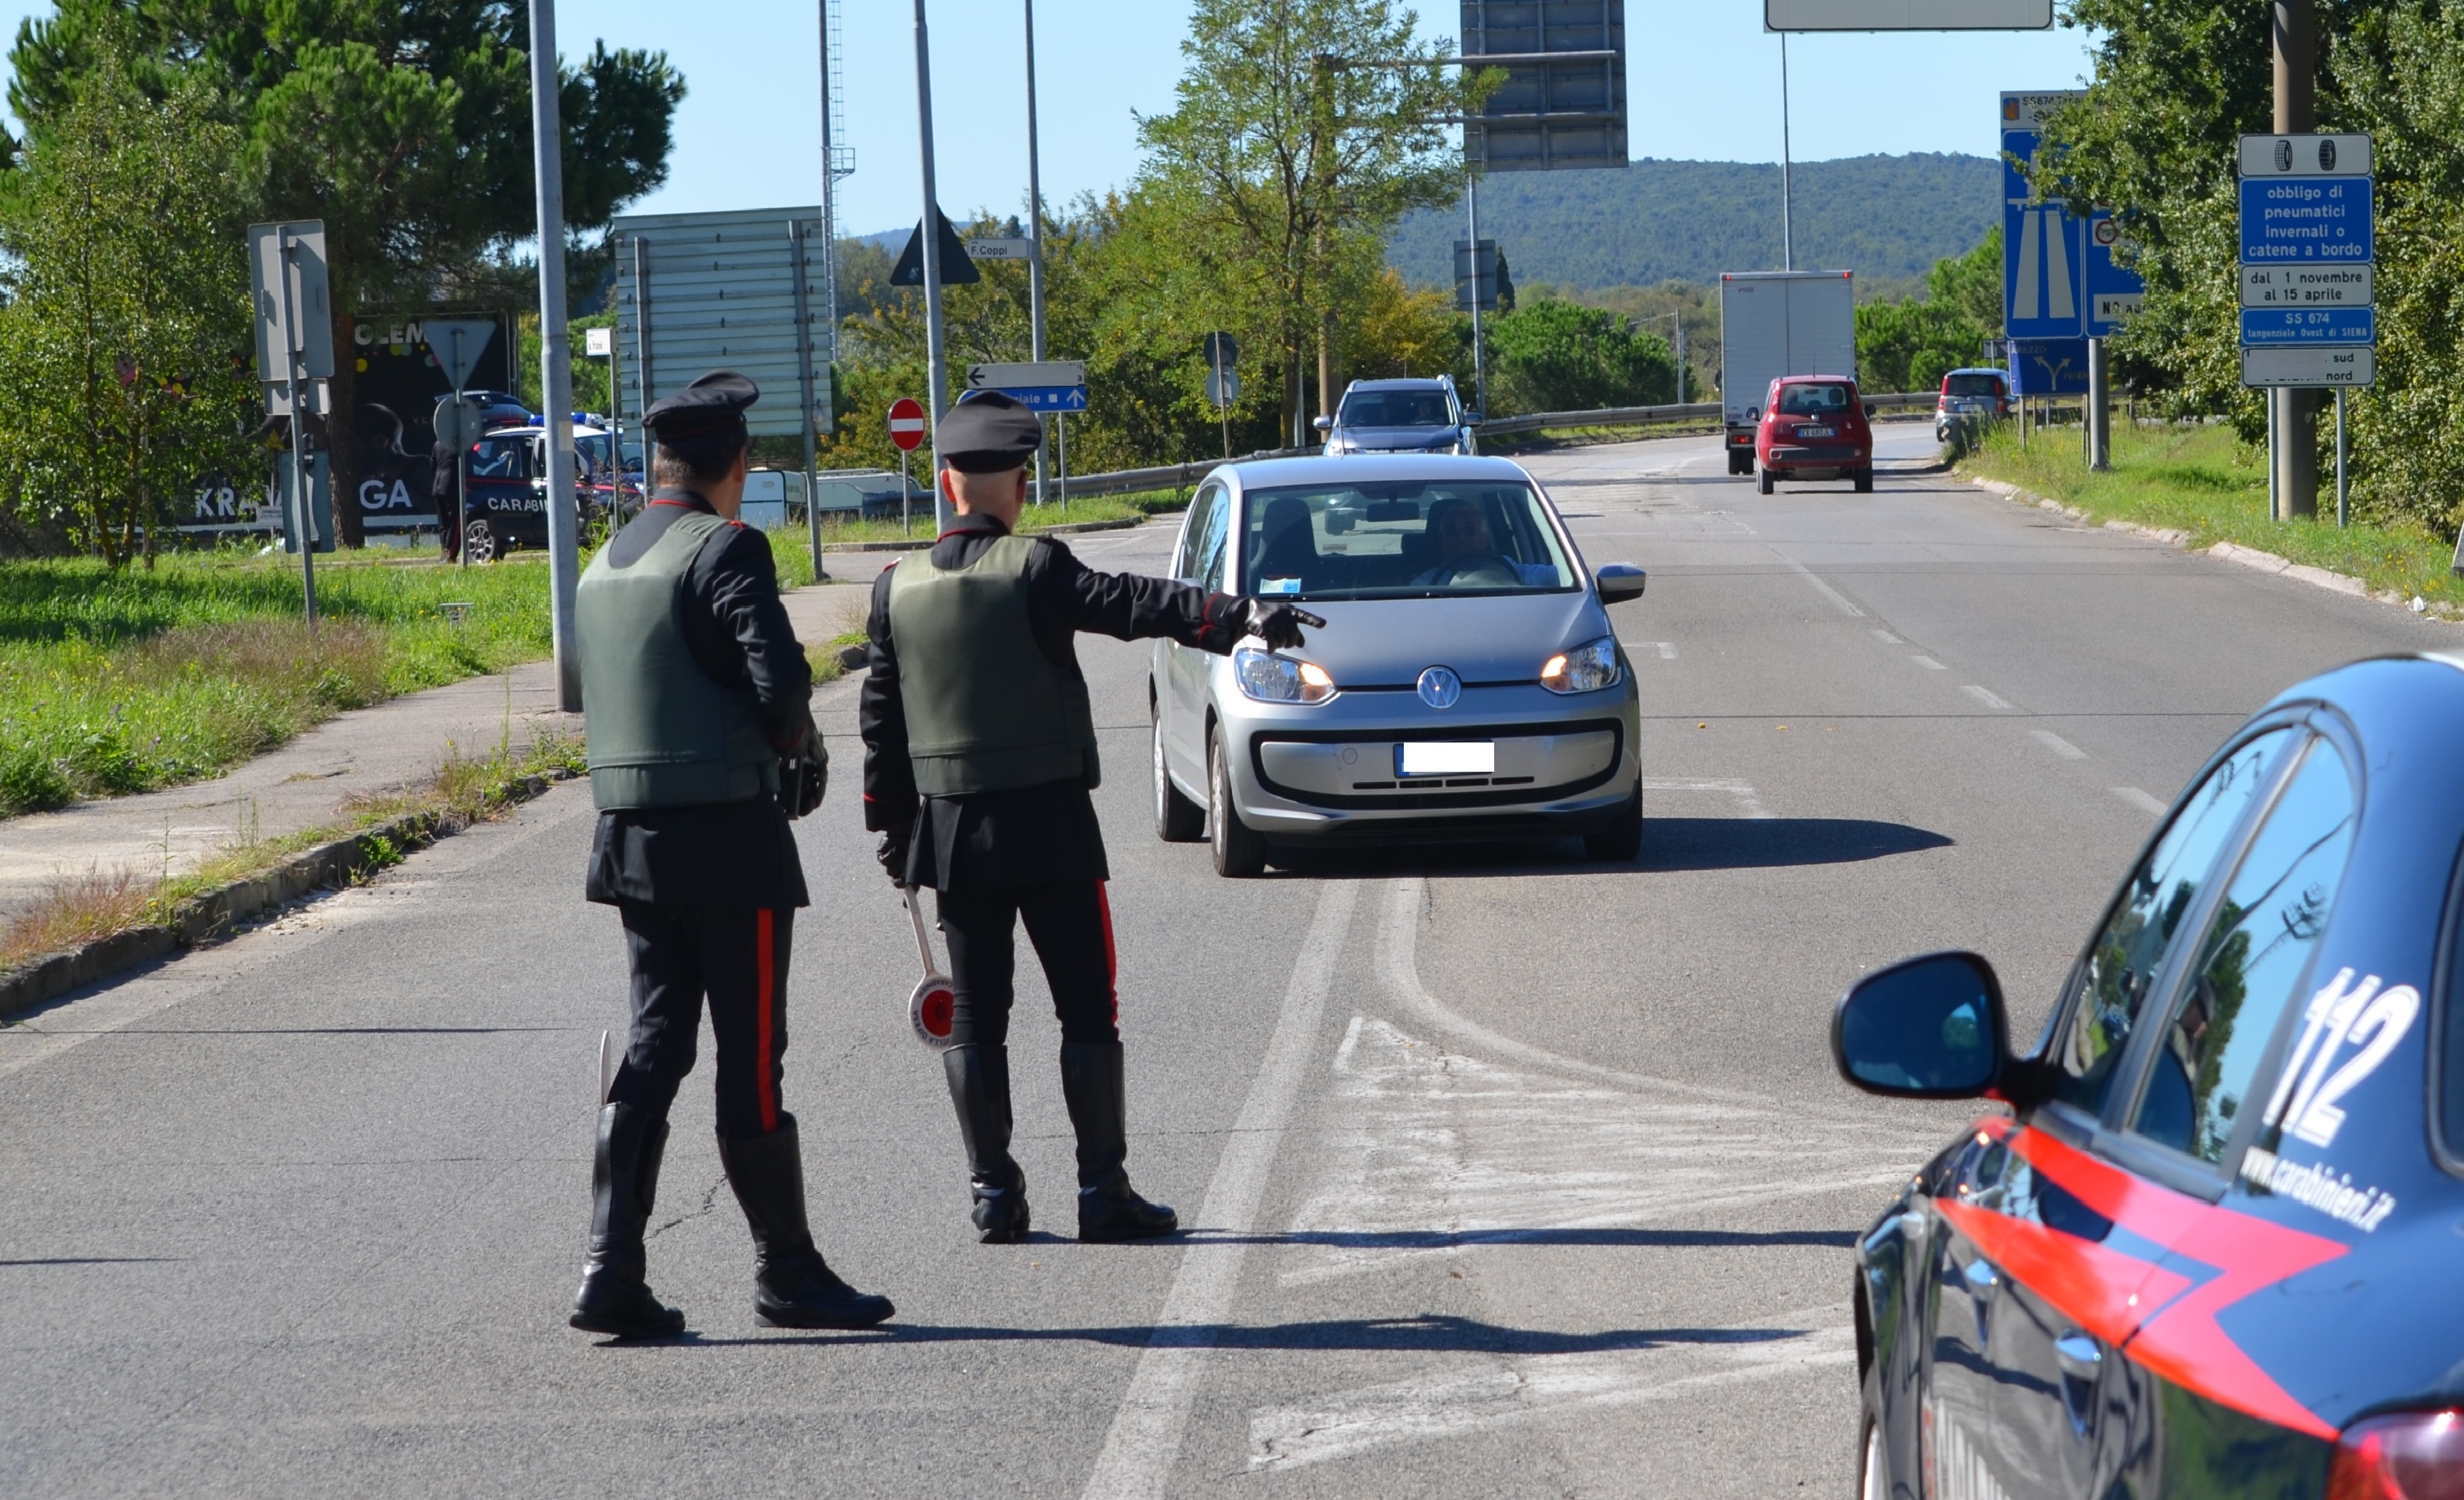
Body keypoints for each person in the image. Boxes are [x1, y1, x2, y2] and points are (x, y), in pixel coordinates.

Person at [860, 391, 1320, 1245]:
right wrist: (1242, 617)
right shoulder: (1037, 568)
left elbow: (880, 730)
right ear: (1020, 486)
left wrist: (894, 838)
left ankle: (992, 1194)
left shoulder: (894, 591)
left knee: (973, 1017)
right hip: (1052, 830)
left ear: (945, 481)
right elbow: (1133, 602)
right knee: (1086, 1010)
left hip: (957, 838)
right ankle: (1101, 1191)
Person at [568, 369, 893, 1338]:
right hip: (726, 844)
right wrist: (795, 748)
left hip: (630, 843)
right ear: (734, 465)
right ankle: (786, 1273)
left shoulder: (606, 563)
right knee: (751, 1062)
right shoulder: (728, 549)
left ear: (660, 461)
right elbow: (783, 683)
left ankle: (608, 1267)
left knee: (656, 1045)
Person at [1409, 495, 1555, 587]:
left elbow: (1559, 577)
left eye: (1469, 530)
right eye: (1451, 530)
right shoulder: (1425, 583)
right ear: (1441, 539)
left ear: (1484, 539)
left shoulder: (1510, 570)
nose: (1461, 537)